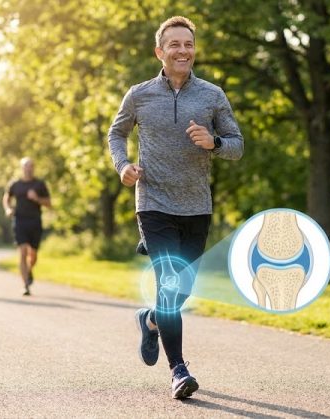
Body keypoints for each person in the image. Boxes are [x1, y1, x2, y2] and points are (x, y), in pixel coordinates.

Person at [107, 16, 243, 399]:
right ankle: (178, 370)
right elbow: (116, 133)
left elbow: (237, 145)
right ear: (159, 51)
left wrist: (213, 142)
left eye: (188, 44)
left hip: (196, 206)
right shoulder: (140, 94)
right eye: (175, 44)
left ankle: (151, 320)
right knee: (169, 282)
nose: (183, 50)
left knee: (180, 290)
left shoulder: (213, 95)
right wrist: (123, 166)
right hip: (153, 202)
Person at [2, 157, 52, 296]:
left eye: (31, 166)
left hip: (35, 222)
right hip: (20, 221)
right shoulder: (15, 184)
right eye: (26, 166)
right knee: (23, 251)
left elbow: (49, 203)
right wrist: (7, 209)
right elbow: (6, 197)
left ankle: (29, 270)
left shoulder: (39, 184)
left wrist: (37, 198)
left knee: (33, 255)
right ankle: (25, 286)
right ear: (22, 168)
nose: (28, 168)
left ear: (33, 168)